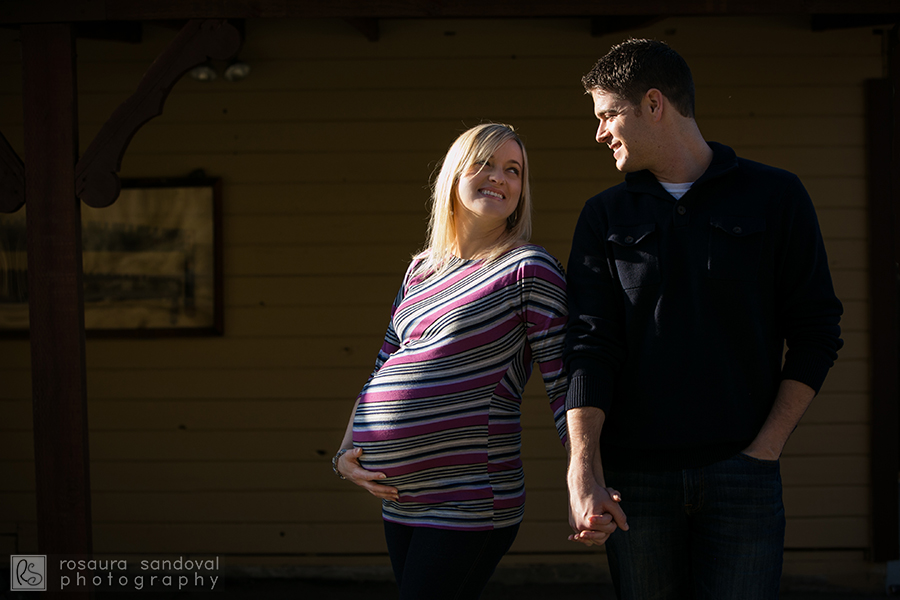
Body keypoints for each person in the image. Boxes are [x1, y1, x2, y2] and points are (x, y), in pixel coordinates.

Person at [563, 39, 843, 599]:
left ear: (653, 103)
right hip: (636, 483)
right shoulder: (604, 215)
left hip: (743, 474)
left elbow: (816, 332)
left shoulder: (776, 196)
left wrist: (764, 450)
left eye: (607, 114)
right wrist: (583, 470)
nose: (598, 133)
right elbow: (590, 346)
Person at [332, 123, 569, 600]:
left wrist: (585, 479)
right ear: (453, 176)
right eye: (484, 163)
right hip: (400, 500)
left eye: (513, 170)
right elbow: (385, 362)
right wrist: (344, 453)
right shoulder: (421, 268)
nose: (499, 177)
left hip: (470, 498)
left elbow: (566, 383)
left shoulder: (529, 268)